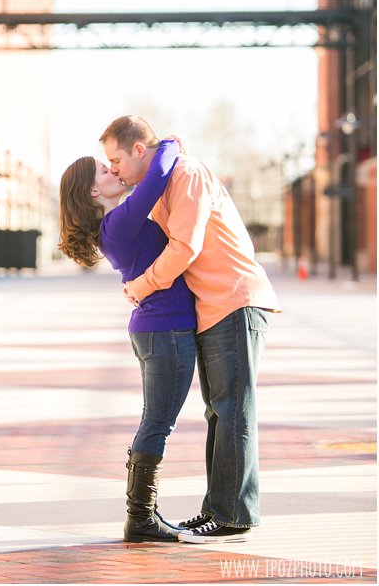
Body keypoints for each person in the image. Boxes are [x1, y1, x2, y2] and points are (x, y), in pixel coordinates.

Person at [100, 115, 280, 544]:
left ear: (138, 150)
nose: (114, 169)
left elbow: (186, 247)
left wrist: (141, 285)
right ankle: (219, 508)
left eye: (116, 159)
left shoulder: (188, 175)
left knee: (233, 409)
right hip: (212, 307)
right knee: (219, 410)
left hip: (235, 300)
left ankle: (233, 514)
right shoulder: (163, 183)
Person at [59, 138, 195, 542]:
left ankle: (142, 516)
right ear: (93, 192)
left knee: (156, 422)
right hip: (164, 330)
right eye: (105, 170)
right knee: (157, 423)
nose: (114, 170)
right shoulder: (117, 223)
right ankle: (140, 518)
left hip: (160, 328)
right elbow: (155, 179)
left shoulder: (117, 224)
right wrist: (165, 142)